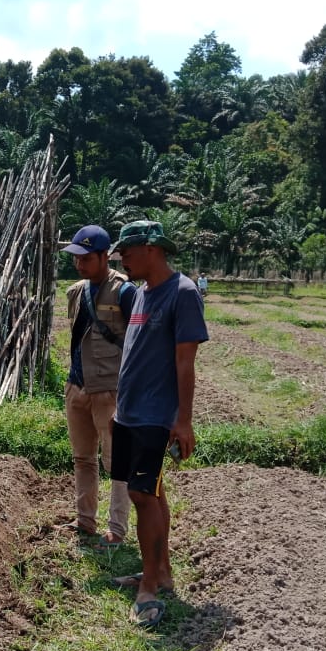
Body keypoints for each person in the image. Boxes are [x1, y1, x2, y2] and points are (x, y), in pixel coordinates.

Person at [109, 220, 208, 629]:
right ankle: (160, 572)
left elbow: (186, 364)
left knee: (141, 492)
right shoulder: (141, 294)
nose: (123, 262)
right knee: (149, 492)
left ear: (151, 249)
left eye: (127, 254)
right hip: (128, 413)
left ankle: (148, 586)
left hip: (155, 415)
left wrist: (182, 421)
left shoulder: (182, 293)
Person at [61, 225, 135, 548]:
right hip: (77, 386)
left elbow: (137, 343)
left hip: (109, 389)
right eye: (76, 258)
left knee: (115, 462)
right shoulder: (76, 292)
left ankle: (116, 531)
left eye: (86, 258)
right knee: (83, 458)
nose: (79, 265)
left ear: (105, 256)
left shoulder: (124, 291)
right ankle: (85, 521)